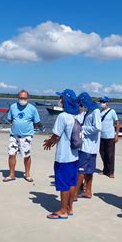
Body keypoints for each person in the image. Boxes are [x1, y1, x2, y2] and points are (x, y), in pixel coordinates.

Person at [43, 89, 79, 219]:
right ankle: (69, 208)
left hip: (63, 156)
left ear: (64, 101)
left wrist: (49, 142)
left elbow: (56, 135)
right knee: (71, 182)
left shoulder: (62, 116)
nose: (60, 101)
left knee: (63, 184)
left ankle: (63, 210)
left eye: (61, 99)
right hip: (75, 156)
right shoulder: (77, 116)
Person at [3, 90, 42, 183]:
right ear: (18, 98)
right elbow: (10, 119)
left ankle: (27, 174)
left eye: (24, 98)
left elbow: (37, 122)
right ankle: (11, 174)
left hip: (26, 136)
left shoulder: (32, 109)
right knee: (11, 154)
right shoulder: (13, 106)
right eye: (20, 98)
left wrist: (32, 129)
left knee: (26, 156)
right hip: (14, 135)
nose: (22, 100)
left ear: (28, 98)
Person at [72, 92, 102, 200]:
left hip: (88, 147)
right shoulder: (89, 110)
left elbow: (98, 127)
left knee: (81, 171)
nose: (81, 105)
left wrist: (83, 128)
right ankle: (88, 191)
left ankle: (75, 193)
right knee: (89, 171)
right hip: (89, 146)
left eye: (81, 103)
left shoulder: (96, 111)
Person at [98, 96, 120, 178]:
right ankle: (105, 169)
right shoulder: (100, 112)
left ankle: (111, 172)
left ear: (107, 102)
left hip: (110, 136)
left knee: (110, 155)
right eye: (101, 101)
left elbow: (117, 123)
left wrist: (116, 135)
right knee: (102, 154)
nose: (102, 103)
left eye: (103, 102)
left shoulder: (112, 111)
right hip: (101, 136)